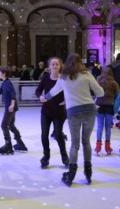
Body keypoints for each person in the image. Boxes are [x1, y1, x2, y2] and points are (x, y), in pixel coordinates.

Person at [41, 53, 104, 187]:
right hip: (89, 110)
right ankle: (88, 172)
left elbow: (52, 92)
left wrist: (44, 97)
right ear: (80, 62)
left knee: (75, 144)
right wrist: (89, 95)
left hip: (73, 112)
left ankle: (71, 174)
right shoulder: (87, 74)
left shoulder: (63, 78)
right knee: (86, 142)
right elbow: (100, 93)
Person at [35, 57, 69, 168]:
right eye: (53, 64)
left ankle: (65, 158)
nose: (55, 66)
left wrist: (66, 100)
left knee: (59, 135)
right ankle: (46, 157)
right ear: (49, 66)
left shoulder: (64, 79)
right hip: (46, 112)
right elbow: (38, 90)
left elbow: (71, 92)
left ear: (60, 66)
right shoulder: (45, 78)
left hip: (59, 112)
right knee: (44, 136)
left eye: (57, 64)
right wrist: (40, 96)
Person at [94, 66, 120, 156]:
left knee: (100, 127)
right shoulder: (114, 83)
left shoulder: (98, 81)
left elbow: (94, 92)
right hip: (109, 106)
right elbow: (118, 95)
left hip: (99, 105)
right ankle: (107, 147)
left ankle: (98, 146)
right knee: (108, 128)